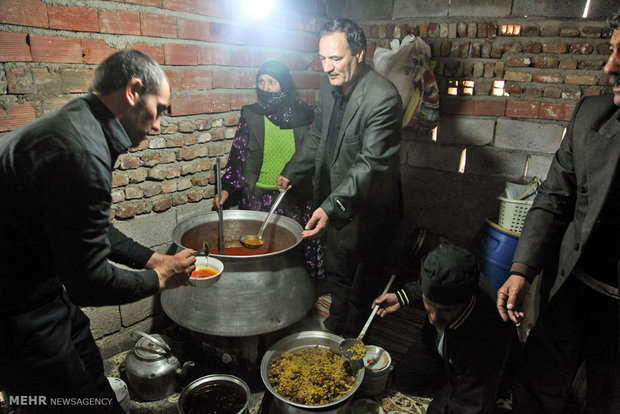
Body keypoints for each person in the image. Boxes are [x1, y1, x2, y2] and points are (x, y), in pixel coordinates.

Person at [0, 50, 196, 413]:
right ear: (134, 90)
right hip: (15, 308)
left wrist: (154, 258)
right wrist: (159, 279)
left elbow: (92, 229)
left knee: (93, 376)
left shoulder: (80, 120)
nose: (158, 125)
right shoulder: (81, 151)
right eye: (161, 109)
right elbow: (88, 283)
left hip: (42, 291)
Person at [496, 8, 620, 414]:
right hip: (573, 286)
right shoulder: (592, 116)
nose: (609, 67)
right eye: (612, 51)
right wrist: (521, 269)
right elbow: (553, 198)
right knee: (536, 388)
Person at [278, 18, 403, 337]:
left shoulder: (383, 98)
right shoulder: (328, 85)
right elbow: (317, 135)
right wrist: (293, 170)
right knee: (337, 275)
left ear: (360, 53)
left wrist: (331, 206)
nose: (327, 67)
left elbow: (370, 165)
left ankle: (354, 342)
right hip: (335, 201)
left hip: (369, 211)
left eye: (336, 58)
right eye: (322, 58)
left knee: (363, 285)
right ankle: (337, 322)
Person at [213, 60, 323, 279]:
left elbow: (313, 156)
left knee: (291, 259)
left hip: (293, 199)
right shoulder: (251, 115)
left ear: (283, 85)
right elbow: (238, 155)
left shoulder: (304, 116)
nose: (264, 88)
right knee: (260, 259)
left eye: (271, 82)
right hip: (256, 199)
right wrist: (225, 189)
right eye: (260, 82)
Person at [374, 244, 515, 414]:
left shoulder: (483, 335)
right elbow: (428, 286)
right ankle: (450, 378)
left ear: (466, 300)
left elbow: (470, 406)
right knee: (404, 379)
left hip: (475, 367)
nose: (434, 317)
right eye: (430, 305)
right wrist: (402, 296)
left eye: (446, 310)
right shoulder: (445, 280)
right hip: (443, 349)